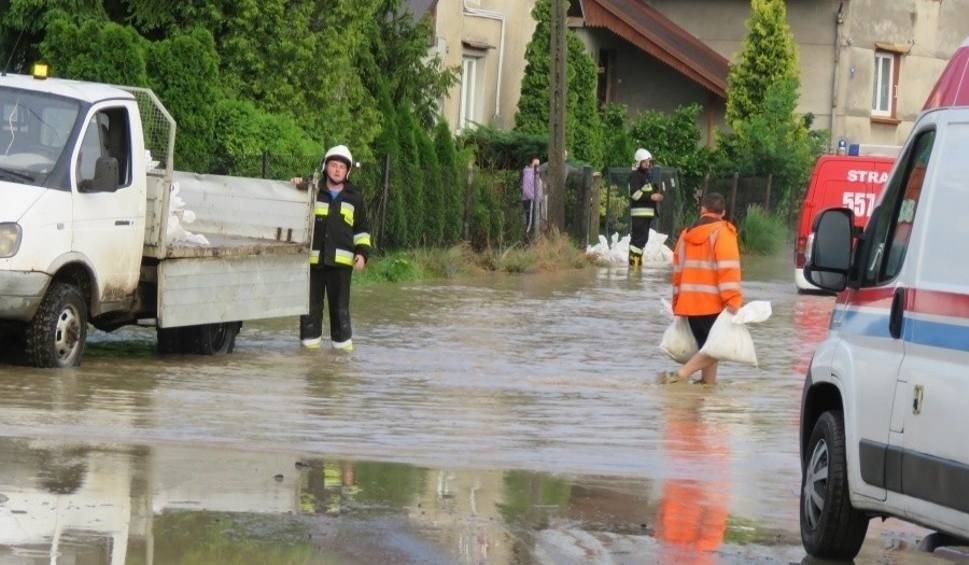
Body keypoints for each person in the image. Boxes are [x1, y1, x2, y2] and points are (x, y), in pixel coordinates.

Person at [290, 145, 371, 351]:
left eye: (341, 167)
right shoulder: (312, 190)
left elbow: (362, 229)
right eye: (333, 165)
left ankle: (342, 356)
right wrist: (295, 185)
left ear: (347, 171)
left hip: (341, 267)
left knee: (340, 310)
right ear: (325, 167)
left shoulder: (355, 197)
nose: (337, 170)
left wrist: (361, 254)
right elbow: (294, 205)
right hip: (313, 264)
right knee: (310, 309)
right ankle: (308, 353)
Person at [664, 192, 742, 384]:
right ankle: (680, 375)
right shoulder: (724, 233)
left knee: (706, 347)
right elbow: (728, 269)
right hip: (713, 304)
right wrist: (733, 300)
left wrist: (676, 303)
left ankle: (707, 386)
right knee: (717, 348)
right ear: (722, 213)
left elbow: (677, 272)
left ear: (702, 210)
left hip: (690, 304)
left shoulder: (686, 234)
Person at [628, 148, 664, 268]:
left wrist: (656, 193)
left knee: (642, 240)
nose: (648, 164)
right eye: (645, 162)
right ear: (638, 162)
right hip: (639, 215)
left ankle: (637, 265)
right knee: (637, 241)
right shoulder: (635, 175)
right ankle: (634, 265)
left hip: (646, 214)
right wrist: (652, 196)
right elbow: (635, 194)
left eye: (649, 162)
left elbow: (646, 191)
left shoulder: (645, 176)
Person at [521, 157, 542, 236]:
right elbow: (526, 190)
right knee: (530, 221)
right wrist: (534, 198)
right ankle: (527, 239)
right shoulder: (528, 174)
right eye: (535, 164)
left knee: (535, 221)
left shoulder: (536, 174)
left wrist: (540, 198)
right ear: (531, 164)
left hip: (535, 201)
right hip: (530, 201)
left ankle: (533, 239)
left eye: (538, 165)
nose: (537, 166)